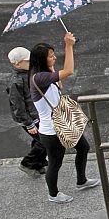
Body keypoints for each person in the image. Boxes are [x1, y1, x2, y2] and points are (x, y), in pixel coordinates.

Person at [29, 33, 99, 204]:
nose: (54, 58)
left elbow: (59, 85)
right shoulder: (39, 77)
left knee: (83, 147)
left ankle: (81, 180)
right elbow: (68, 71)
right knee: (55, 162)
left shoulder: (45, 73)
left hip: (64, 123)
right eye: (51, 56)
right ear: (40, 60)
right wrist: (68, 46)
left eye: (53, 55)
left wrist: (52, 68)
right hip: (52, 131)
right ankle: (53, 194)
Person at [6, 47, 48, 178]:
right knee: (45, 141)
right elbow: (18, 106)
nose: (31, 63)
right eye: (27, 61)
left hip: (36, 113)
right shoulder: (16, 81)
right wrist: (28, 123)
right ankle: (28, 163)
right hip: (30, 117)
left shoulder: (27, 73)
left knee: (40, 140)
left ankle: (38, 162)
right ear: (17, 63)